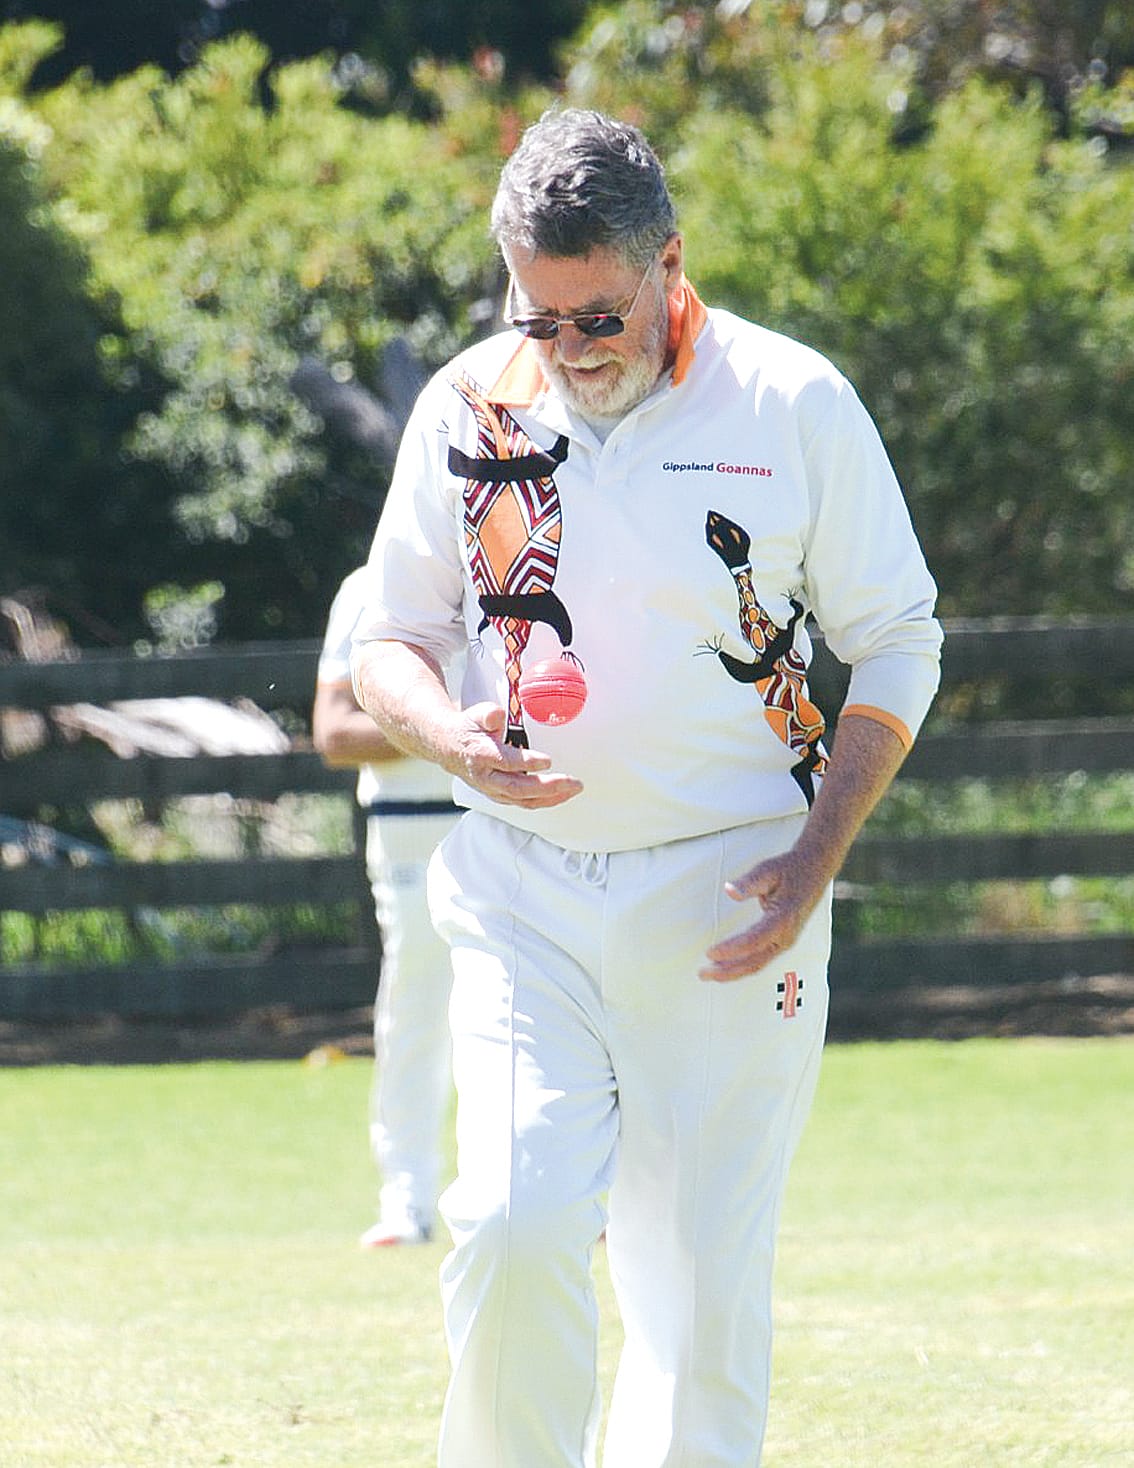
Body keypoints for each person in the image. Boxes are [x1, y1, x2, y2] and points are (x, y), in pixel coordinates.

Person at [350, 108, 943, 1467]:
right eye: (536, 317)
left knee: (693, 1292)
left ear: (668, 262)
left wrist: (816, 857)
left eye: (595, 318)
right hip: (515, 888)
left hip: (730, 892)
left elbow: (899, 637)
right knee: (506, 1223)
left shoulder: (791, 402)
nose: (563, 351)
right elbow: (392, 636)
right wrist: (445, 736)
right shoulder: (466, 400)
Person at [313, 566, 459, 1247]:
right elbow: (336, 732)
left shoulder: (529, 567)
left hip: (517, 813)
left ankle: (576, 1194)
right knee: (418, 1004)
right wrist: (452, 735)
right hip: (410, 822)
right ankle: (408, 1198)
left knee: (548, 998)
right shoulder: (369, 586)